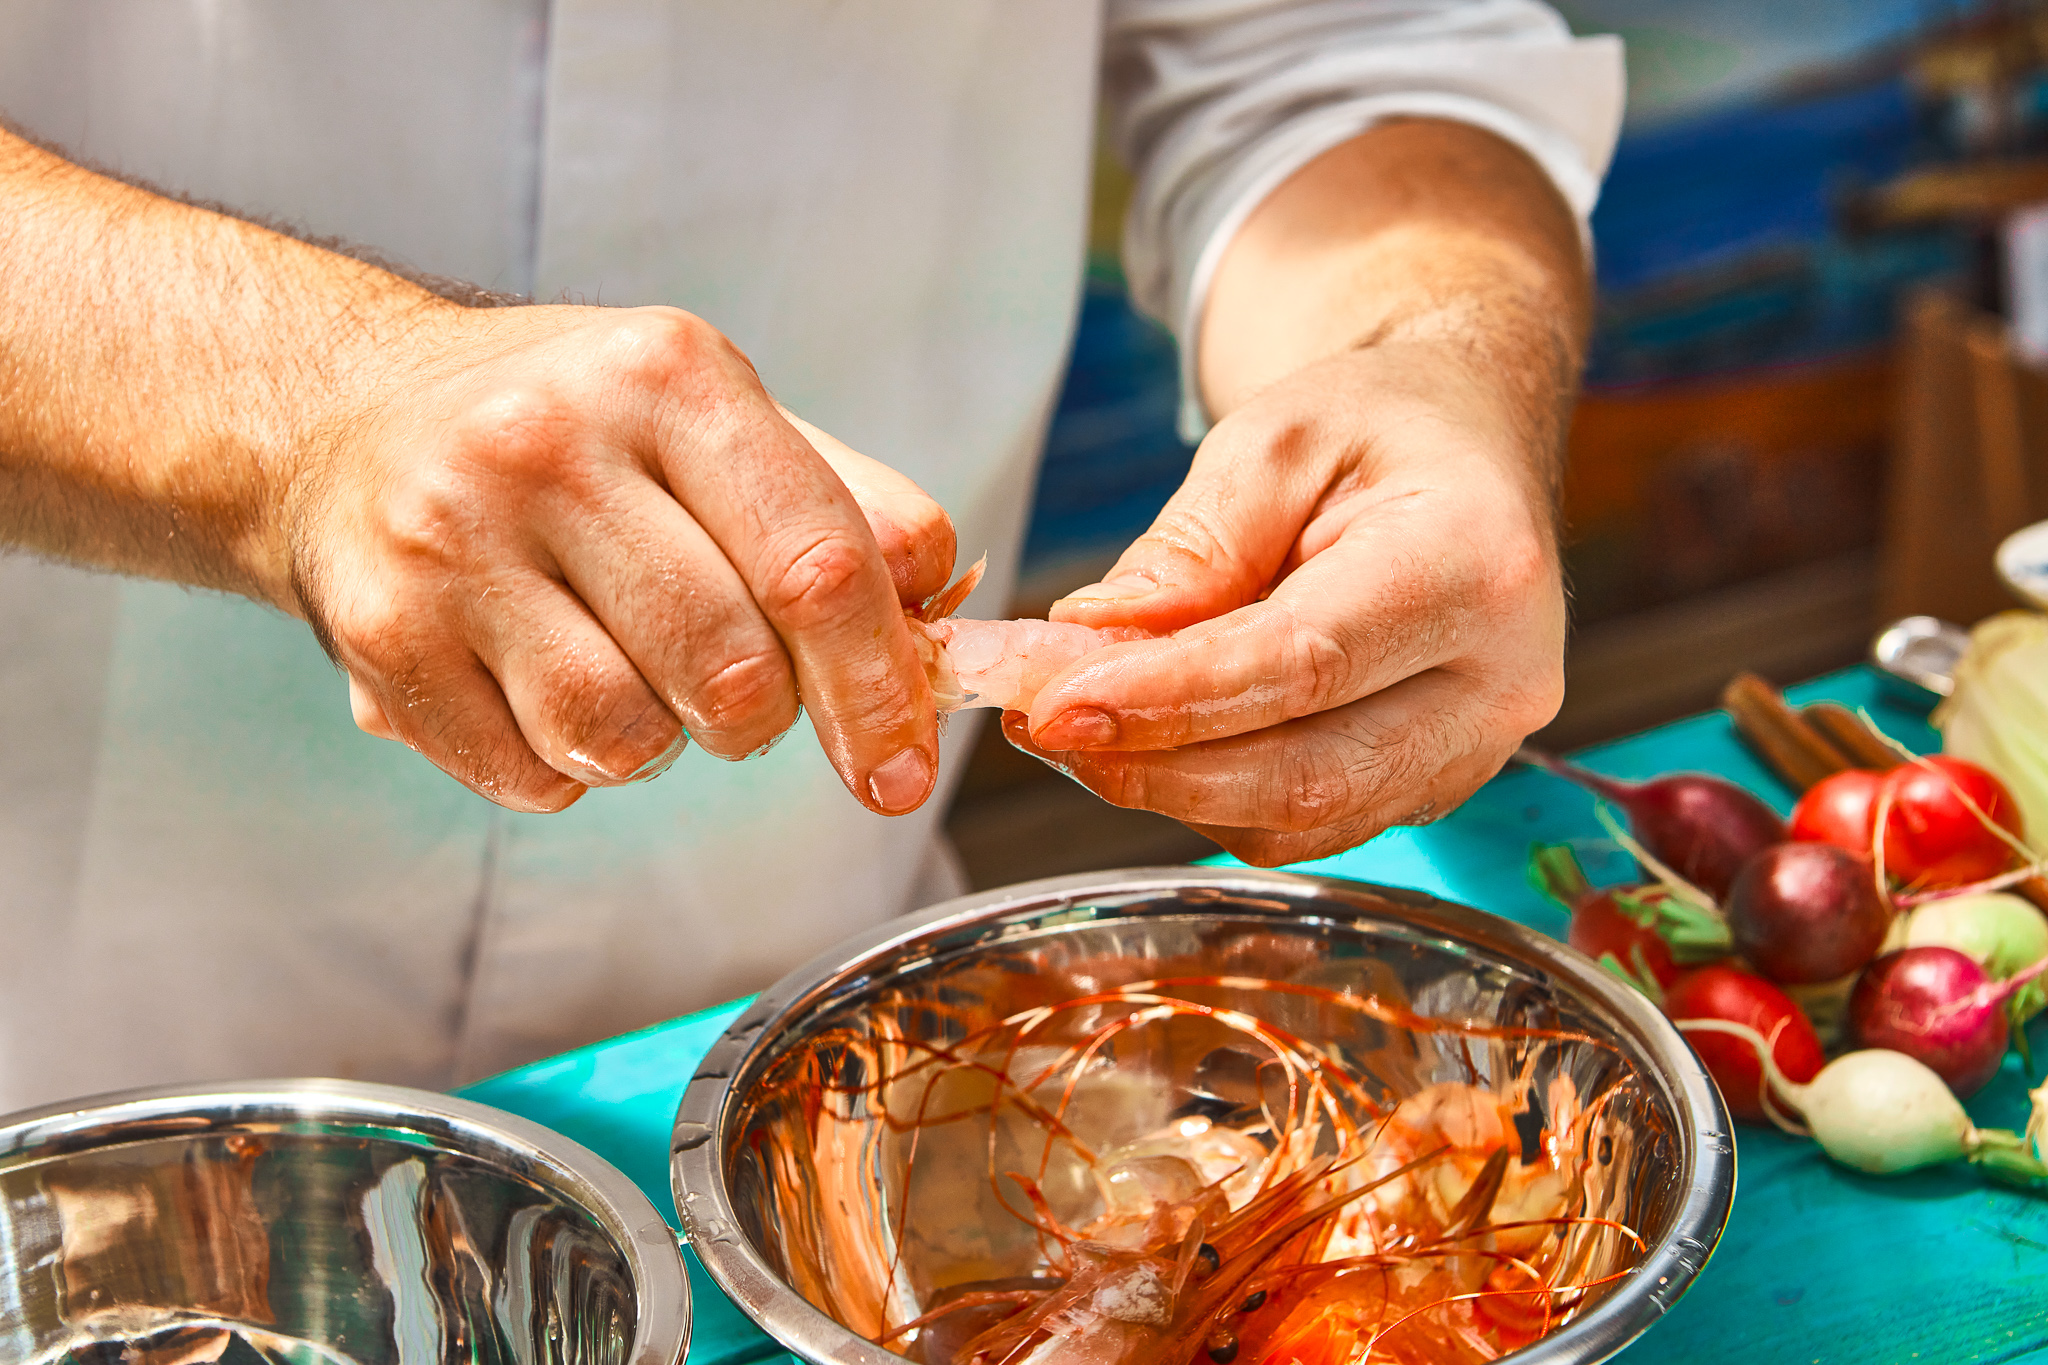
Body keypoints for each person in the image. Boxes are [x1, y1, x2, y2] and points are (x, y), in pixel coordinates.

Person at [0, 2, 1621, 1113]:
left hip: (817, 1031)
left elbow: (1335, 49)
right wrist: (302, 406)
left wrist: (1435, 352)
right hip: (61, 1035)